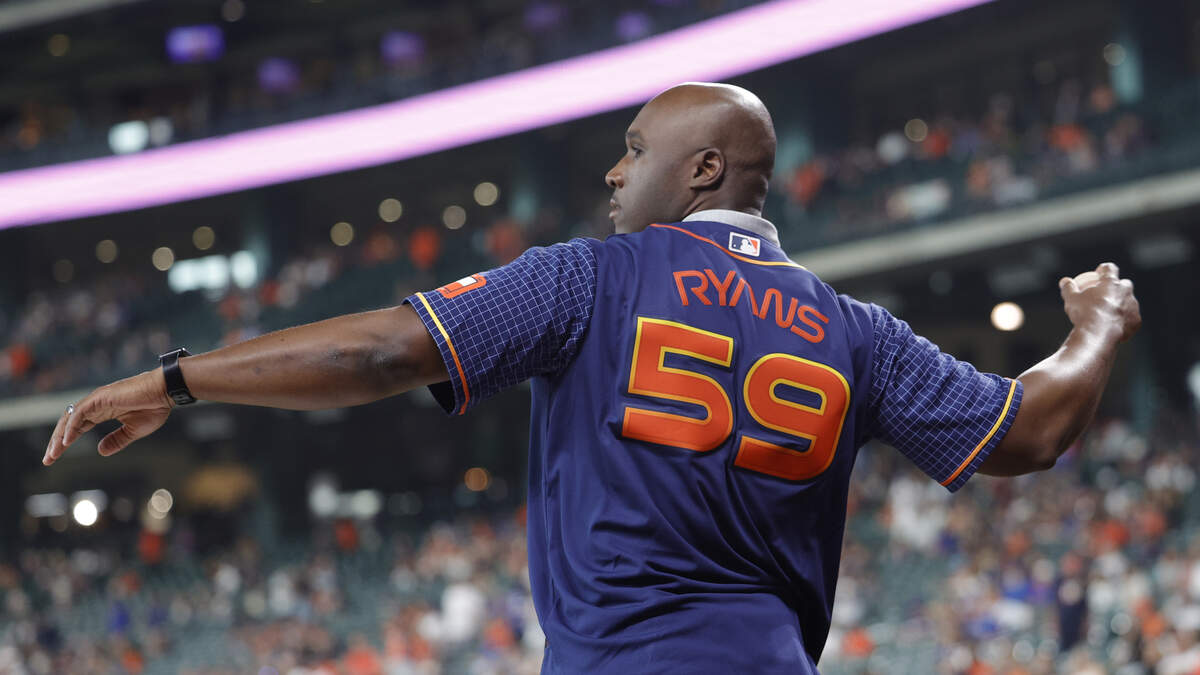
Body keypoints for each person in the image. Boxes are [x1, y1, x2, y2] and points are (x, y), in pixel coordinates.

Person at [43, 82, 1141, 673]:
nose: (614, 170)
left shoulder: (591, 279)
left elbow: (383, 350)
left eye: (633, 147)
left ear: (703, 167)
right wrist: (1098, 325)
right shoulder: (854, 329)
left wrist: (179, 381)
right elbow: (1029, 429)